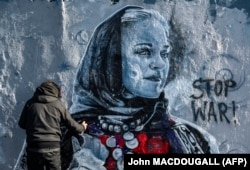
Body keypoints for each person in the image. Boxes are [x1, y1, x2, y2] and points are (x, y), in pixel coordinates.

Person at [61, 5, 219, 170]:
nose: (159, 64)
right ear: (112, 58)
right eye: (144, 52)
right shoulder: (69, 140)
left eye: (164, 54)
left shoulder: (194, 139)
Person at [18, 80, 88, 170]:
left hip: (34, 148)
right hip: (52, 148)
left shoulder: (30, 103)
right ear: (55, 92)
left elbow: (22, 124)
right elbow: (71, 124)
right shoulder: (58, 105)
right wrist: (82, 127)